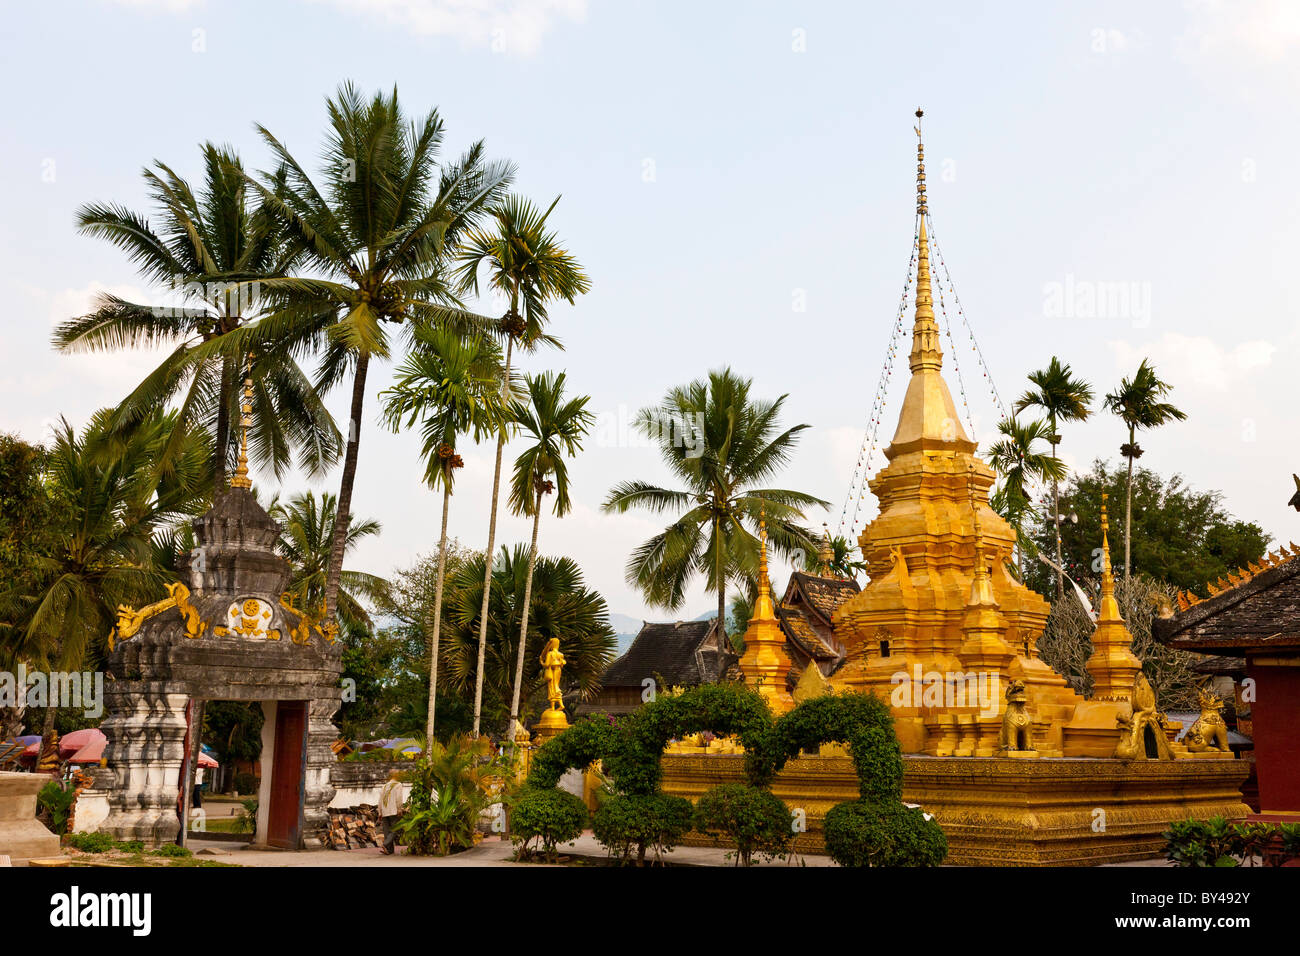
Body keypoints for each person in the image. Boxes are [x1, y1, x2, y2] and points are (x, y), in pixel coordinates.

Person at [379, 770, 404, 855]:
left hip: (385, 810)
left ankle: (389, 850)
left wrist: (380, 811)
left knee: (387, 831)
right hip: (393, 810)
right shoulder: (398, 785)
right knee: (395, 829)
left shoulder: (384, 786)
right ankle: (385, 844)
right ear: (396, 775)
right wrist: (399, 809)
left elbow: (380, 800)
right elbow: (399, 798)